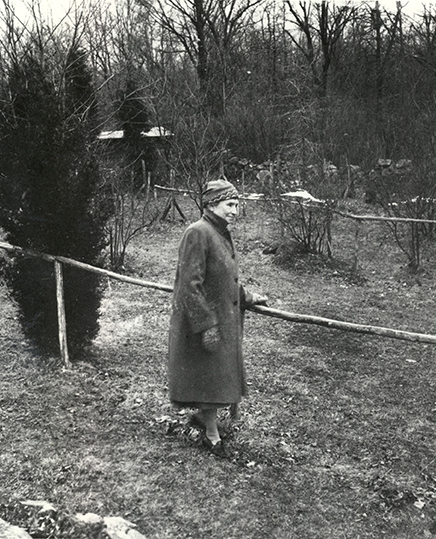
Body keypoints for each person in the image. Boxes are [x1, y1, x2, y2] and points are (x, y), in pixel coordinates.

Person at [168, 178, 267, 458]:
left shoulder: (220, 232)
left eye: (237, 205)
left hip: (219, 317)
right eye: (230, 204)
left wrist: (247, 297)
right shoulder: (198, 232)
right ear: (212, 203)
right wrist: (207, 325)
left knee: (213, 376)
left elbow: (222, 277)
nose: (235, 210)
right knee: (209, 376)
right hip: (203, 320)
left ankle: (205, 420)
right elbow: (189, 284)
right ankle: (211, 433)